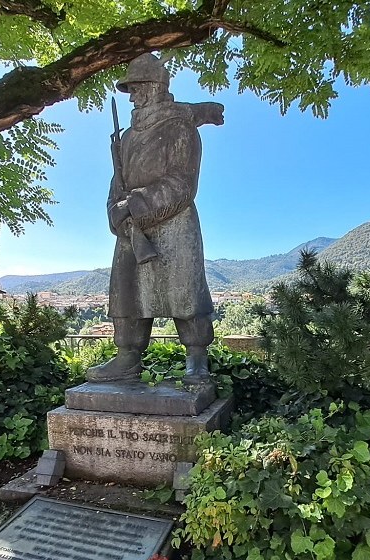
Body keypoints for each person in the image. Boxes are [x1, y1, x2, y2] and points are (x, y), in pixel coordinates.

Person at [86, 54, 222, 385]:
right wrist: (115, 213)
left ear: (154, 87)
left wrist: (135, 204)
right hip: (133, 230)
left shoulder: (179, 128)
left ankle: (196, 358)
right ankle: (127, 357)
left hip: (175, 225)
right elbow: (115, 185)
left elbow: (182, 183)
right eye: (129, 89)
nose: (131, 96)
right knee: (127, 292)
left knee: (184, 293)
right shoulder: (127, 139)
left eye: (136, 88)